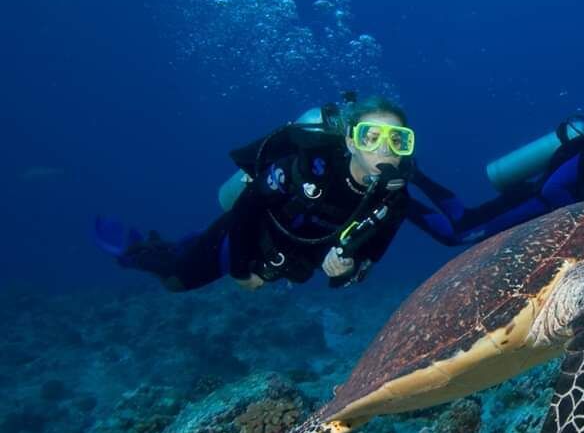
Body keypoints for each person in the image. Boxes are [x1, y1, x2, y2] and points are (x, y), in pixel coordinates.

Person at [96, 95, 418, 291]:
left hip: (287, 261)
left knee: (188, 256)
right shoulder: (310, 167)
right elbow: (246, 210)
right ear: (350, 142)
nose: (384, 149)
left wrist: (344, 272)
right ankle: (134, 252)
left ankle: (169, 244)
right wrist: (240, 272)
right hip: (246, 236)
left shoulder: (394, 201)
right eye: (371, 136)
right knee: (177, 281)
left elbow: (364, 265)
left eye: (398, 140)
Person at [407, 110, 584, 245]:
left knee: (464, 219)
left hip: (542, 218)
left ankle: (414, 177)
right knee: (458, 232)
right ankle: (403, 199)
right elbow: (552, 189)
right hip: (528, 205)